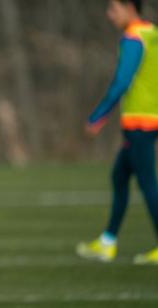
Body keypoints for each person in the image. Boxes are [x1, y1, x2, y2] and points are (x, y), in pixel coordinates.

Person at [77, 0, 158, 265]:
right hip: (149, 120)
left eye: (113, 9)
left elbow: (122, 81)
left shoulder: (134, 38)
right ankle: (108, 242)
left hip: (139, 123)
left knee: (147, 183)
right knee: (120, 176)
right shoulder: (152, 33)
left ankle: (108, 242)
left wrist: (98, 116)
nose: (109, 15)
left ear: (129, 7)